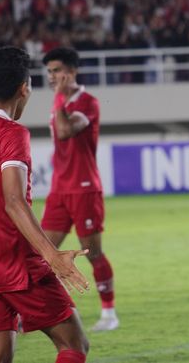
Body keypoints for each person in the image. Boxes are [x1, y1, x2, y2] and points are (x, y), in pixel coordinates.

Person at [0, 47, 90, 363]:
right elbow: (13, 200)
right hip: (16, 263)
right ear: (24, 88)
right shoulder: (12, 133)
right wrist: (53, 256)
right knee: (74, 345)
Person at [42, 47, 119, 331]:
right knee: (43, 254)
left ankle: (109, 314)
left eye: (56, 70)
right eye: (48, 71)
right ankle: (42, 312)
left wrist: (60, 99)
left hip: (85, 188)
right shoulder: (59, 101)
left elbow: (65, 131)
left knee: (93, 252)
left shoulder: (88, 102)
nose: (52, 76)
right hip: (58, 191)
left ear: (72, 71)